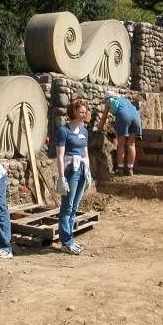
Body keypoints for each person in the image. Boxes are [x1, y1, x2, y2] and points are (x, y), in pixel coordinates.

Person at [54, 99, 92, 255]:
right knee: (67, 206)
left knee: (75, 207)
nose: (84, 114)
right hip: (71, 169)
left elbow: (86, 153)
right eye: (81, 111)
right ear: (74, 112)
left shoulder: (84, 131)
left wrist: (89, 172)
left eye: (85, 111)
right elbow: (60, 156)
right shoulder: (63, 131)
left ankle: (70, 239)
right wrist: (61, 177)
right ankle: (66, 242)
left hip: (82, 169)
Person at [98, 90, 143, 176]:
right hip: (136, 118)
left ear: (107, 98)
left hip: (124, 117)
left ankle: (121, 169)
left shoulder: (109, 101)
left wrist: (99, 129)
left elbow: (104, 117)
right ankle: (130, 169)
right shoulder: (125, 100)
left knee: (121, 144)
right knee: (131, 144)